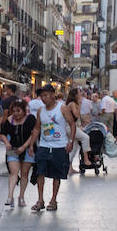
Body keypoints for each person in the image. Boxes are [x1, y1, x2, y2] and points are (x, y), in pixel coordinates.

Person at [31, 84, 76, 212]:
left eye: (45, 95)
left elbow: (72, 124)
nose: (43, 98)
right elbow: (37, 128)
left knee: (57, 174)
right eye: (41, 96)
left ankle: (53, 200)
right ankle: (40, 200)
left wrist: (71, 141)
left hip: (59, 146)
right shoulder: (41, 110)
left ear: (52, 94)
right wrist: (31, 145)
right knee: (40, 172)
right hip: (44, 145)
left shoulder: (62, 108)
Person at [0, 99, 37, 208]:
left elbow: (33, 134)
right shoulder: (9, 120)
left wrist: (24, 147)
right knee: (13, 172)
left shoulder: (30, 119)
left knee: (24, 173)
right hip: (13, 149)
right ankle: (10, 196)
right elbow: (2, 133)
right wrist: (7, 142)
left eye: (18, 111)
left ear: (24, 111)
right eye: (14, 111)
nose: (16, 114)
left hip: (28, 149)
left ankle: (21, 196)